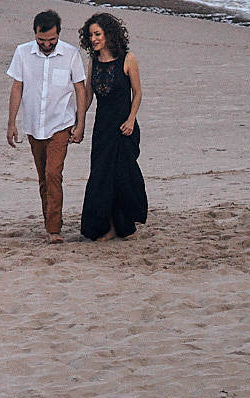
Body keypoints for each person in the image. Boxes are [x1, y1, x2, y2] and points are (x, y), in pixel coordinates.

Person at [7, 9, 88, 244]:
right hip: (34, 125)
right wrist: (11, 122)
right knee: (44, 177)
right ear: (35, 33)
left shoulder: (71, 54)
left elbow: (80, 89)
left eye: (51, 40)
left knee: (54, 173)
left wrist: (81, 123)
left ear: (58, 35)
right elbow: (17, 87)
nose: (46, 44)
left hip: (61, 123)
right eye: (41, 40)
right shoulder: (22, 53)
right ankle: (50, 222)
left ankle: (54, 229)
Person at [78, 13, 148, 241]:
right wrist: (79, 122)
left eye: (97, 34)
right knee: (101, 178)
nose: (94, 39)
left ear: (109, 34)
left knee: (122, 177)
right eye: (91, 35)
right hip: (102, 129)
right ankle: (107, 227)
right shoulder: (94, 61)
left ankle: (125, 226)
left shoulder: (128, 59)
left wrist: (131, 119)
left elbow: (137, 93)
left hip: (124, 128)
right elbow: (88, 94)